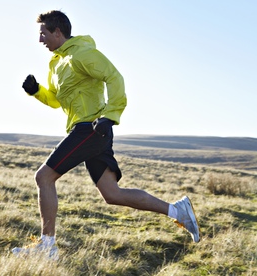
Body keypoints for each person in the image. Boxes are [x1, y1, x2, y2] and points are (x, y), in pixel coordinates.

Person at [12, 10, 200, 260]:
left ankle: (48, 247)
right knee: (112, 194)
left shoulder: (83, 53)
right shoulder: (56, 63)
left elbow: (114, 77)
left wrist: (110, 116)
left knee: (44, 177)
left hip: (90, 128)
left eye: (43, 34)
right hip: (86, 129)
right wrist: (37, 91)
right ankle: (177, 211)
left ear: (58, 32)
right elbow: (57, 101)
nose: (40, 40)